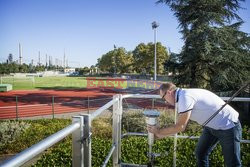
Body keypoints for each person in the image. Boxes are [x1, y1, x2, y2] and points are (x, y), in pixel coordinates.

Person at [147, 82, 242, 167]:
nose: (165, 101)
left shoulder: (185, 97)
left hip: (228, 125)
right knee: (200, 153)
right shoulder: (182, 96)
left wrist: (159, 131)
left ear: (169, 92)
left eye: (163, 97)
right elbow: (181, 126)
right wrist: (161, 134)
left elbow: (181, 126)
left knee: (232, 163)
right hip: (211, 126)